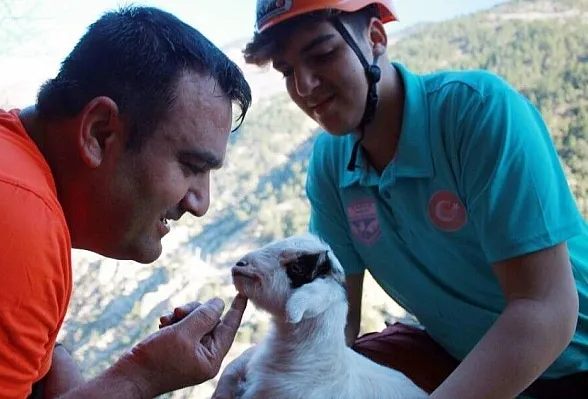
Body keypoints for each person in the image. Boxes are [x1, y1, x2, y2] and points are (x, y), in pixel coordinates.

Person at [213, 0, 588, 398]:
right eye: (287, 71)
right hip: (458, 355)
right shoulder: (331, 164)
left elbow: (545, 308)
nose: (303, 86)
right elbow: (339, 319)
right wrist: (263, 366)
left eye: (322, 54)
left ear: (375, 38)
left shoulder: (475, 114)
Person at [0, 5, 252, 399]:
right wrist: (139, 378)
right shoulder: (6, 220)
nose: (200, 202)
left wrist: (58, 366)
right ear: (100, 132)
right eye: (192, 165)